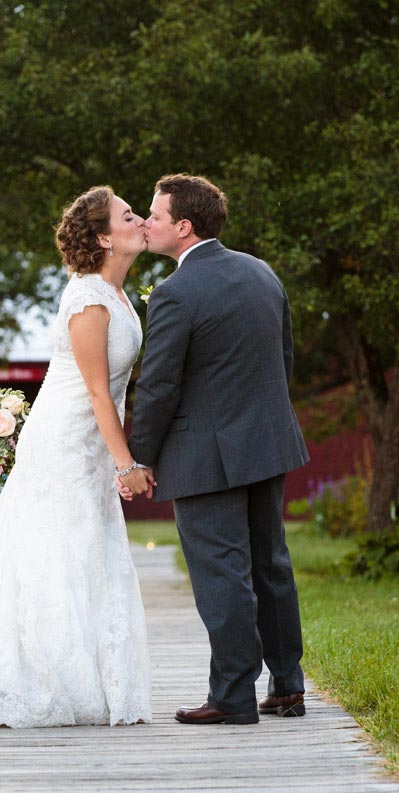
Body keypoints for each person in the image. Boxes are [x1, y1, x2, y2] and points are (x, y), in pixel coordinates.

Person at [0, 186, 154, 728]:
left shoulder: (120, 294)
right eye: (129, 215)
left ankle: (94, 682)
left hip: (90, 442)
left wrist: (118, 459)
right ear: (105, 237)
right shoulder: (87, 299)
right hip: (64, 441)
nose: (141, 219)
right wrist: (126, 463)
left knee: (89, 547)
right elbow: (99, 392)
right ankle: (34, 681)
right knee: (54, 550)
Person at [126, 173, 310, 725]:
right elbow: (284, 360)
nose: (147, 223)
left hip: (204, 456)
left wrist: (140, 457)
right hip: (266, 443)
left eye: (155, 216)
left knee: (223, 573)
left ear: (183, 227)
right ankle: (287, 686)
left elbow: (158, 387)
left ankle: (232, 697)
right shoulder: (262, 272)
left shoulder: (176, 293)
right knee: (270, 565)